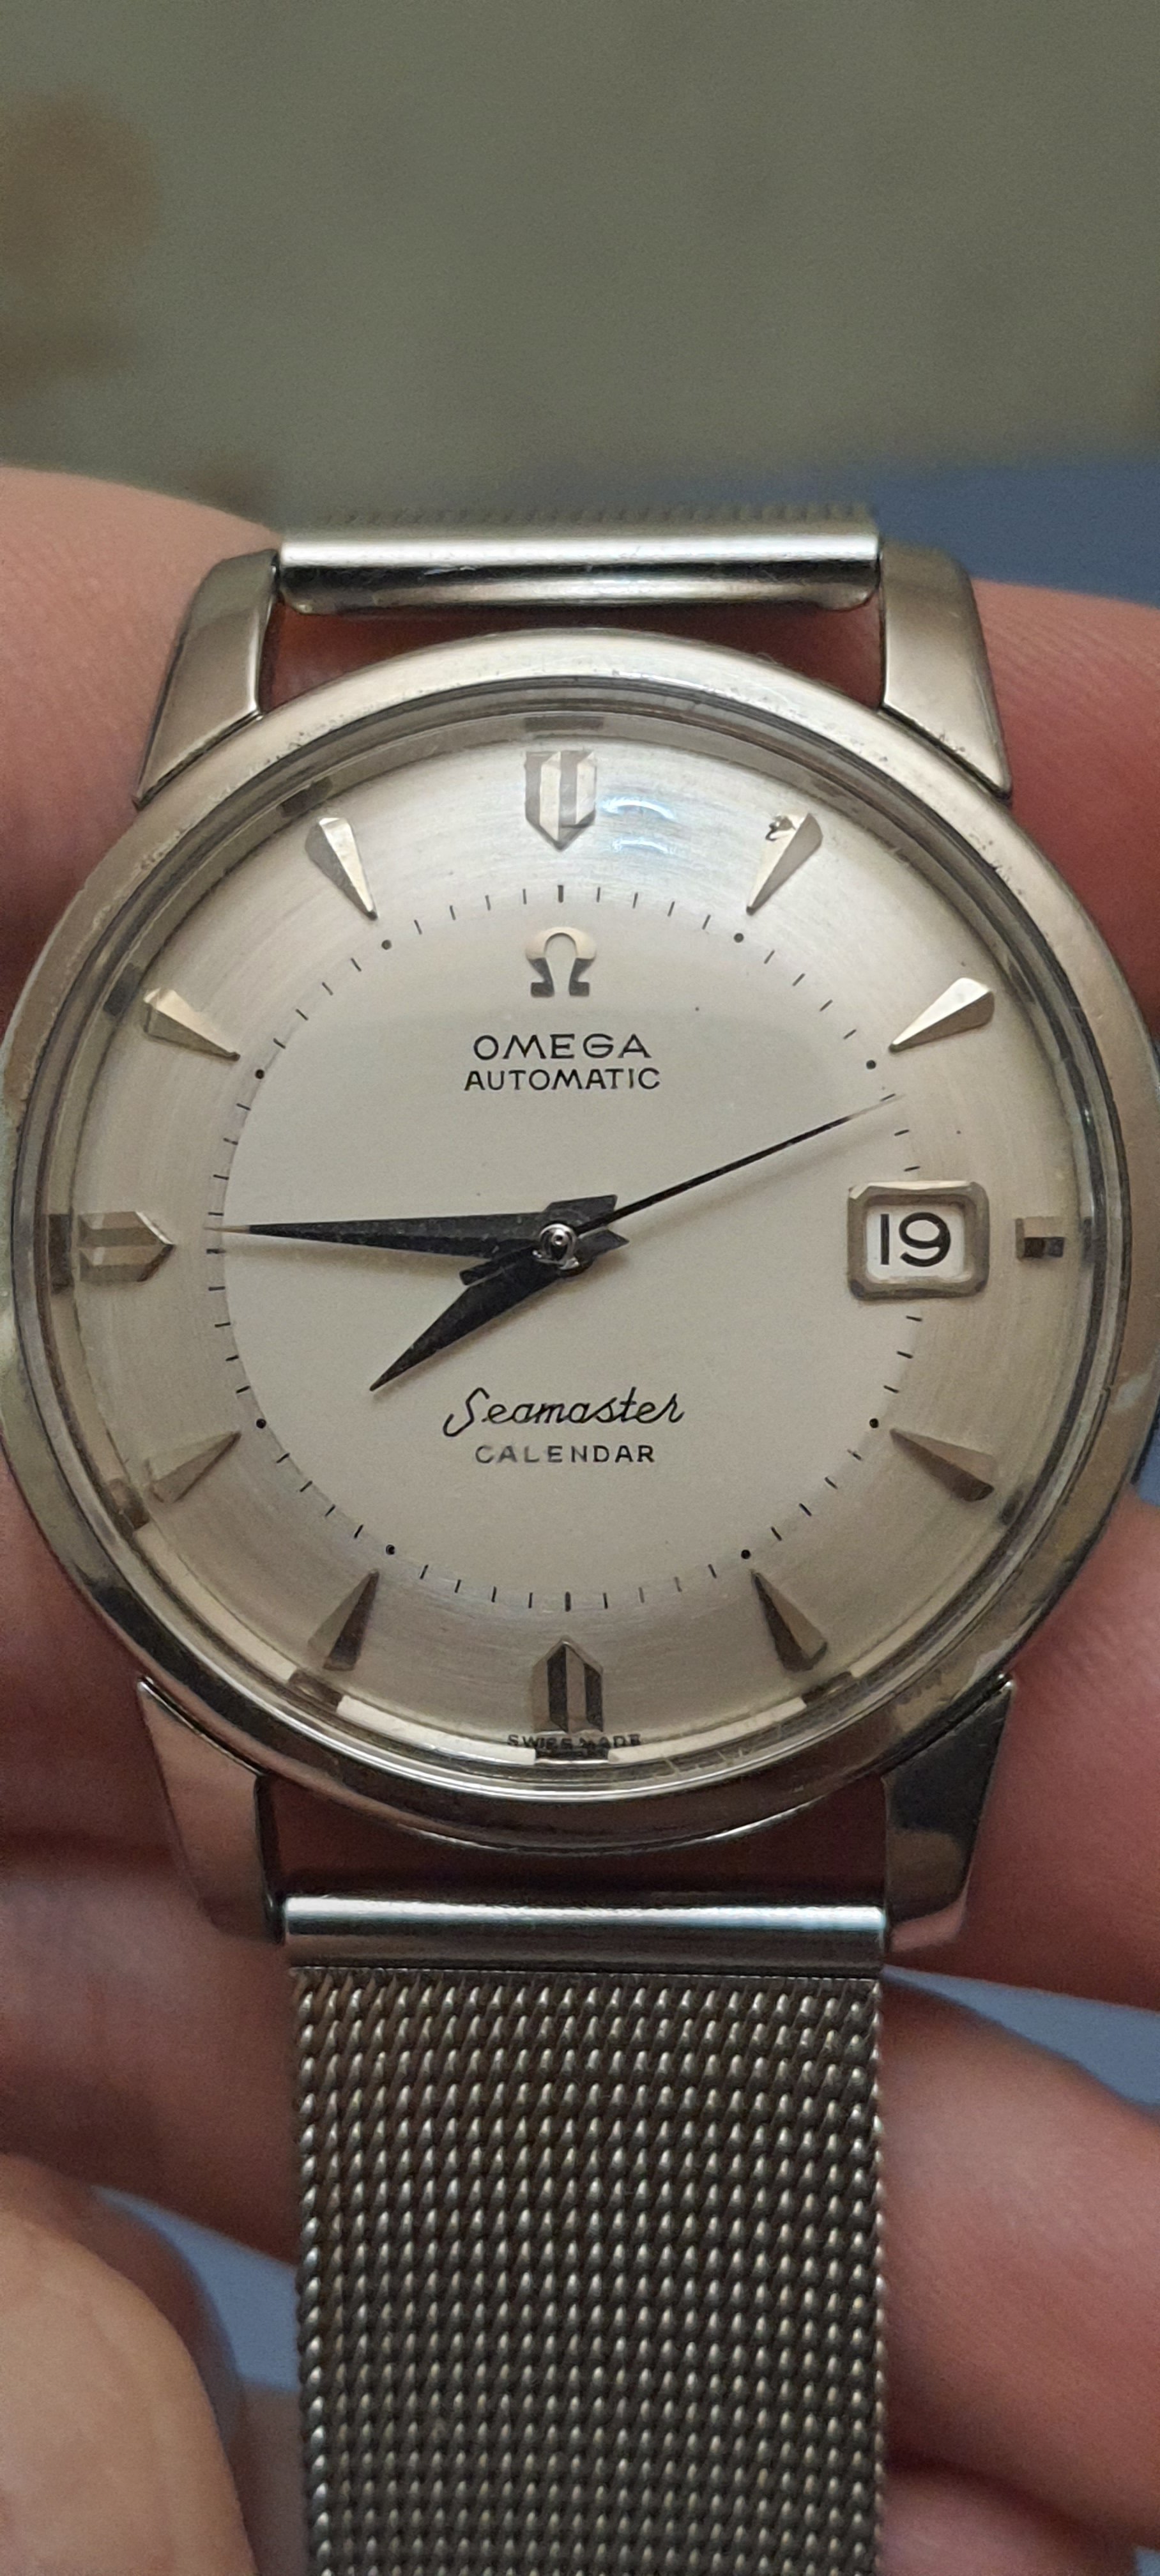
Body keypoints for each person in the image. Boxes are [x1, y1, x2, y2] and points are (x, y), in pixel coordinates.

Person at [0, 467, 1157, 2576]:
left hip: (780, 1728)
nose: (554, 1254)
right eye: (539, 1253)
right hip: (352, 1744)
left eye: (571, 1246)